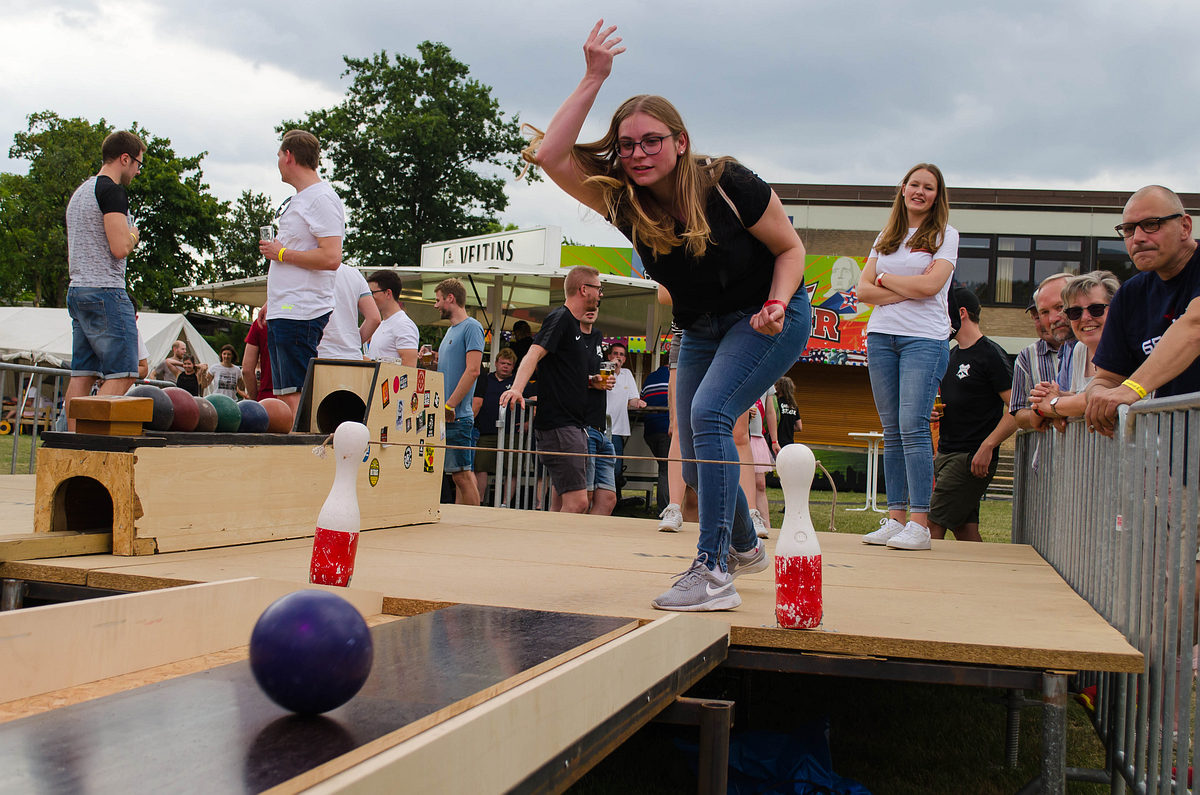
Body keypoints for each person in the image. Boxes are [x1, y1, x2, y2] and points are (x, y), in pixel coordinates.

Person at [523, 22, 810, 611]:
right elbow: (548, 154)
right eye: (626, 145)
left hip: (766, 317)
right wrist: (594, 76)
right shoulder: (622, 200)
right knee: (694, 451)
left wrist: (778, 304)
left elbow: (791, 250)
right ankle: (745, 545)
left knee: (711, 415)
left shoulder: (728, 184)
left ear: (680, 142)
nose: (637, 154)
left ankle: (714, 572)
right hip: (699, 328)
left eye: (651, 141)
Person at [855, 163, 958, 552]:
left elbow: (932, 286)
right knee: (892, 429)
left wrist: (886, 280)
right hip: (882, 337)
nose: (920, 192)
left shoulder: (946, 234)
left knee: (913, 426)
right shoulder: (886, 236)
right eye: (914, 184)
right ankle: (896, 518)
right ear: (902, 189)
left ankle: (920, 523)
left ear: (937, 195)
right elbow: (863, 291)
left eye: (928, 187)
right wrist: (908, 287)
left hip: (924, 340)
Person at [1086, 186, 1200, 435]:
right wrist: (1098, 399)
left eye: (1151, 224)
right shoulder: (1129, 295)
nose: (1137, 238)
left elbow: (1194, 328)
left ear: (1185, 227)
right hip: (1175, 449)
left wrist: (1132, 389)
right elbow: (1107, 378)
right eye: (1128, 229)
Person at [500, 266, 603, 514]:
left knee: (558, 502)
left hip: (570, 425)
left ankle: (548, 540)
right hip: (560, 426)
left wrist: (590, 381)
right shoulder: (561, 318)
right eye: (599, 289)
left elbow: (563, 372)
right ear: (584, 289)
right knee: (578, 502)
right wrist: (517, 388)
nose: (601, 294)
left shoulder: (573, 324)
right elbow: (533, 353)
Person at [63, 131, 145, 431]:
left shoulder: (80, 193)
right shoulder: (112, 192)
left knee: (82, 375)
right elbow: (120, 247)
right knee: (124, 373)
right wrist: (134, 234)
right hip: (106, 291)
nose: (138, 171)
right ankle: (91, 438)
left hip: (78, 290)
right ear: (125, 158)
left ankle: (72, 442)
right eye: (138, 163)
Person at [258, 130, 342, 415]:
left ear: (289, 156)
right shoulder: (302, 199)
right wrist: (273, 302)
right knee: (285, 393)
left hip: (301, 311)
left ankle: (303, 443)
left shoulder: (321, 198)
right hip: (287, 309)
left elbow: (331, 257)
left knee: (296, 394)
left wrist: (281, 253)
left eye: (279, 155)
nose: (278, 162)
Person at [928, 286, 1015, 542]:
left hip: (970, 458)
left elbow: (1017, 408)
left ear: (962, 313)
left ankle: (919, 570)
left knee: (930, 525)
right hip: (946, 453)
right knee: (965, 530)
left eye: (944, 311)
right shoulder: (950, 355)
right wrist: (933, 413)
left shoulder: (991, 354)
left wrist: (988, 446)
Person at [1029, 271, 1121, 423]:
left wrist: (1054, 405)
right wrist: (1047, 399)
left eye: (1096, 309)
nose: (1085, 318)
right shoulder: (1080, 349)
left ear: (1116, 308)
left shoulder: (1129, 346)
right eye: (1075, 312)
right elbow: (1079, 400)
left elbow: (1106, 397)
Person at [435, 278, 485, 505]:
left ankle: (475, 519)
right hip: (448, 414)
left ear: (450, 298)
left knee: (462, 475)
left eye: (438, 299)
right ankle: (465, 517)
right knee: (458, 476)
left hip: (456, 414)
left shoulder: (472, 326)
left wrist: (450, 404)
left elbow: (473, 370)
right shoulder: (452, 330)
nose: (436, 305)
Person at [1012, 272, 1075, 432]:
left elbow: (1096, 398)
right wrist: (1042, 410)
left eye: (1060, 307)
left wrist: (1051, 406)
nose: (1052, 319)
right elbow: (1018, 414)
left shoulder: (1092, 345)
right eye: (1043, 313)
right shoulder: (1028, 355)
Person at [472, 347, 521, 502]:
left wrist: (526, 423)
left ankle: (505, 503)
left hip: (511, 433)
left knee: (512, 470)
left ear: (513, 366)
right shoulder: (485, 379)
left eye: (509, 364)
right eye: (502, 363)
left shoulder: (518, 383)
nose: (505, 366)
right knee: (480, 467)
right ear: (496, 363)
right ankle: (479, 501)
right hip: (486, 431)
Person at [581, 310, 617, 515]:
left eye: (596, 304)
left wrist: (605, 379)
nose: (593, 308)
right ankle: (572, 534)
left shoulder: (597, 336)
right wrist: (590, 381)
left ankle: (589, 534)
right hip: (582, 428)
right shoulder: (568, 338)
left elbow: (601, 376)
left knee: (608, 499)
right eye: (588, 303)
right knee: (582, 498)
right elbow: (561, 376)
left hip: (600, 429)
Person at [604, 341, 645, 497]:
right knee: (599, 467)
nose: (618, 357)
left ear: (625, 359)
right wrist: (611, 367)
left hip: (617, 429)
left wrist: (638, 402)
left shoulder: (627, 374)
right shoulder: (603, 370)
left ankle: (612, 502)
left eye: (621, 354)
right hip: (600, 427)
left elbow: (632, 399)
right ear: (609, 356)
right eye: (615, 353)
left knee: (616, 469)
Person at [318, 265, 381, 361]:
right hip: (352, 357)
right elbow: (374, 318)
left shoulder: (305, 269)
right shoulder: (354, 274)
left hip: (319, 355)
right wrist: (353, 342)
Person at [365, 270, 418, 365]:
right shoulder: (382, 324)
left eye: (372, 293)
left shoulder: (403, 325)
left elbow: (409, 368)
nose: (369, 297)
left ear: (388, 293)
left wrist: (365, 361)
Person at [640, 362, 671, 513]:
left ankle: (665, 508)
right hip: (667, 428)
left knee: (664, 469)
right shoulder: (674, 377)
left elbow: (642, 399)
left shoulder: (650, 378)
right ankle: (664, 510)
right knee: (667, 471)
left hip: (650, 430)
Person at [242, 306, 273, 401]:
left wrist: (254, 400)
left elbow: (246, 370)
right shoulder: (309, 318)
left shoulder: (261, 322)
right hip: (301, 398)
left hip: (267, 398)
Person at [773, 376, 801, 451]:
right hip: (789, 443)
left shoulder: (776, 403)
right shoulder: (793, 405)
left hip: (776, 442)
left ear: (779, 388)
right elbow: (799, 427)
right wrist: (788, 427)